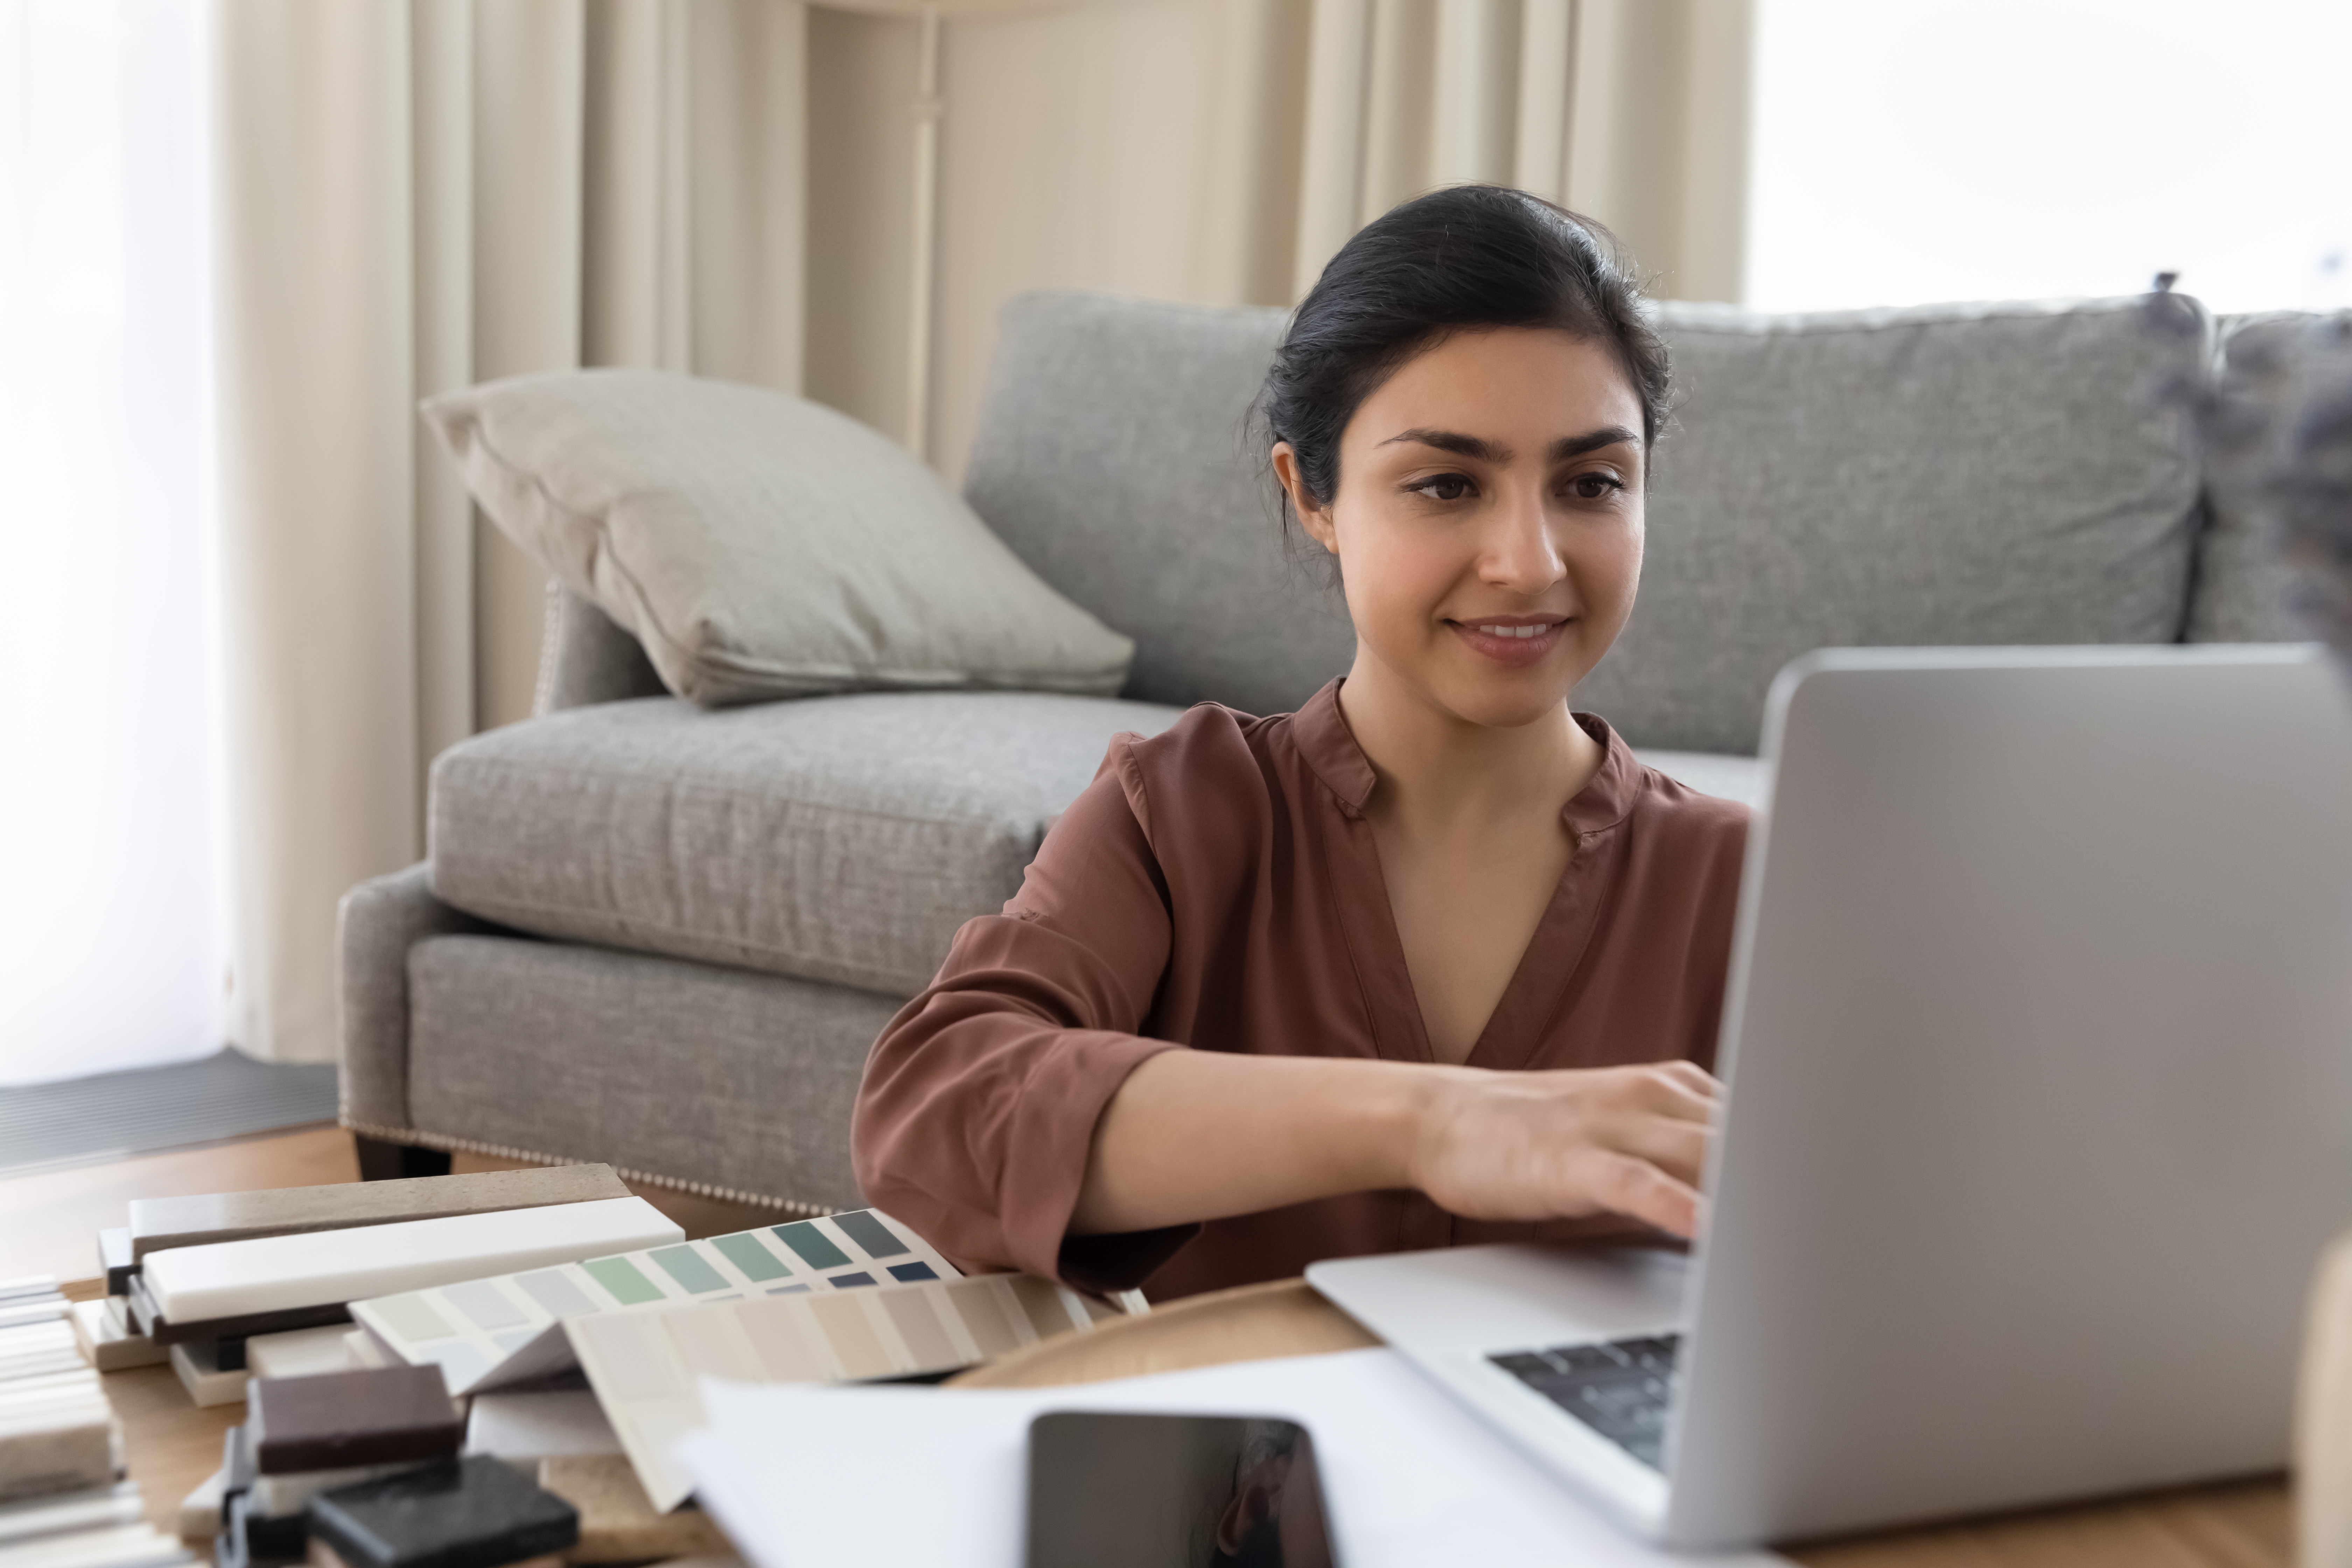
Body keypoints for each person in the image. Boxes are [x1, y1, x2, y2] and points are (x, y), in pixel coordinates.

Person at [853, 185, 1748, 1302]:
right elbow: (938, 1110)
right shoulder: (1179, 811)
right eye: (1446, 484)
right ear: (1312, 495)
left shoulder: (1744, 884)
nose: (1530, 561)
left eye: (1591, 484)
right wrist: (1433, 1125)